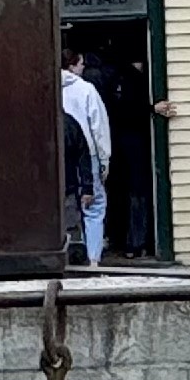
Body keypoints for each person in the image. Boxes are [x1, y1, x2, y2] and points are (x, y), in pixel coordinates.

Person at [60, 51, 114, 264]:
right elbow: (98, 126)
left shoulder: (45, 87)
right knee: (94, 207)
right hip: (87, 154)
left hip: (58, 157)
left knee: (63, 203)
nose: (84, 68)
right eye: (81, 64)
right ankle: (93, 259)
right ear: (72, 66)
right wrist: (104, 159)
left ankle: (65, 253)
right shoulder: (86, 90)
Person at [60, 107, 101, 264]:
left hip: (43, 190)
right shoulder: (69, 123)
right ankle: (75, 264)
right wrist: (87, 188)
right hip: (68, 187)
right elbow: (83, 157)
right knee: (72, 230)